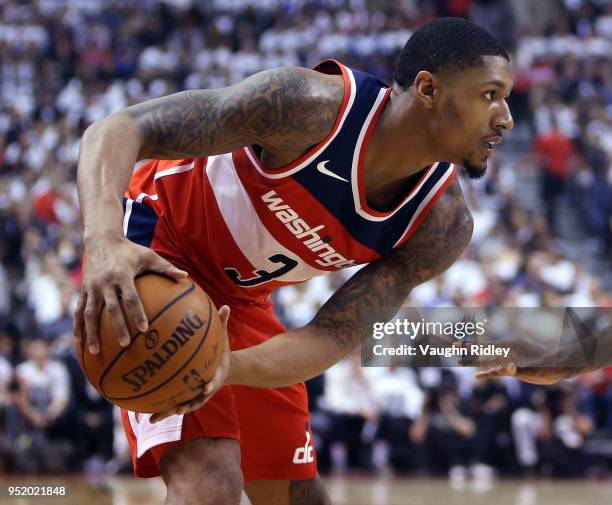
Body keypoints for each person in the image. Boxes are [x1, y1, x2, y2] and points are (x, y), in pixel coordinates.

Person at [74, 17, 513, 505]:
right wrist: (103, 242)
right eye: (489, 95)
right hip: (162, 247)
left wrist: (227, 365)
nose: (506, 117)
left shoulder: (442, 226)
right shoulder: (307, 107)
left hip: (239, 299)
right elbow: (117, 128)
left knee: (300, 497)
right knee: (211, 486)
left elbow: (332, 336)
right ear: (428, 89)